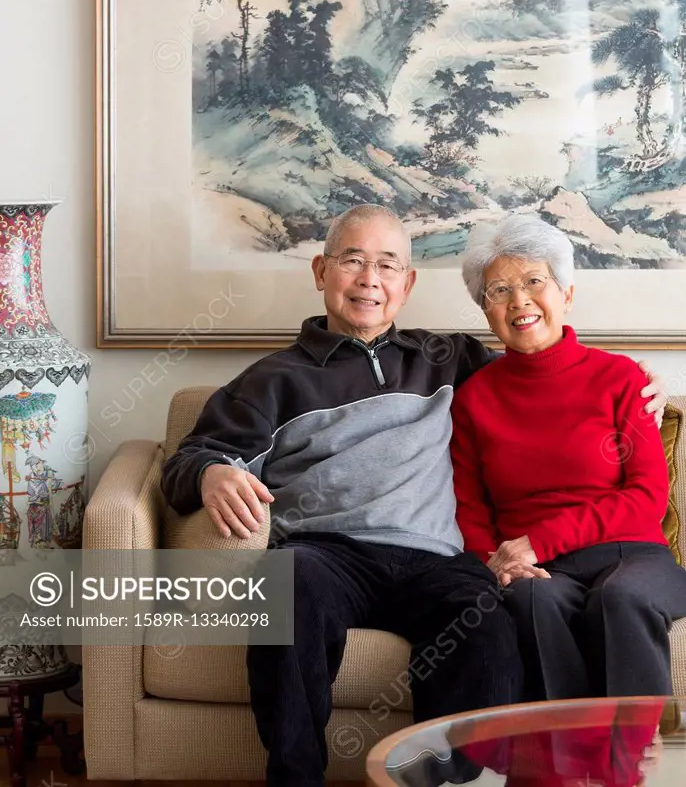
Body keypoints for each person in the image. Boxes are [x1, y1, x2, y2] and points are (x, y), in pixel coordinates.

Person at [161, 204, 665, 786]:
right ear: (322, 271)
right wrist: (210, 474)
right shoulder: (272, 381)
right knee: (289, 585)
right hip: (329, 554)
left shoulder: (451, 359)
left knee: (488, 628)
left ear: (408, 283)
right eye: (353, 261)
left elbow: (541, 365)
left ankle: (440, 780)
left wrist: (639, 380)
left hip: (439, 562)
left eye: (387, 265)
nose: (370, 279)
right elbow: (188, 458)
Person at [450, 212, 686, 702]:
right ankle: (559, 767)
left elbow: (646, 497)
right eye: (498, 290)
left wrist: (539, 540)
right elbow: (469, 509)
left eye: (535, 281)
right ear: (486, 310)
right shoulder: (474, 399)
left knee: (619, 597)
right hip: (538, 570)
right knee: (530, 598)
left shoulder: (621, 379)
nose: (519, 301)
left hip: (632, 554)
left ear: (566, 294)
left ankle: (627, 765)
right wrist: (495, 563)